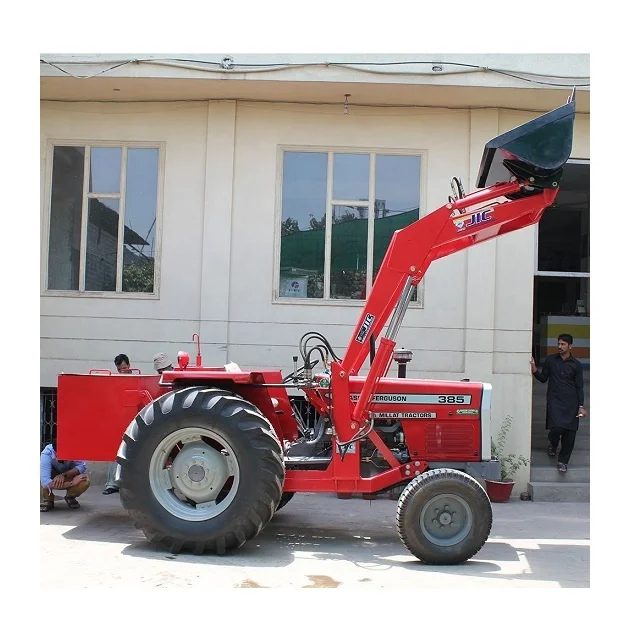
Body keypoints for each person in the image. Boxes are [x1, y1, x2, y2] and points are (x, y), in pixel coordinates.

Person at [530, 333, 587, 473]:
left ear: (570, 346)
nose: (560, 346)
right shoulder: (551, 360)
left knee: (570, 434)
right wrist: (535, 370)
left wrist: (581, 406)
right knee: (556, 429)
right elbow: (543, 378)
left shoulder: (576, 365)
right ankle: (553, 444)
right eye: (559, 344)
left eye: (563, 344)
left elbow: (579, 386)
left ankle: (563, 461)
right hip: (554, 401)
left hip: (572, 403)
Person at [103, 353, 132, 494]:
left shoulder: (136, 379)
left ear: (129, 365)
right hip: (119, 421)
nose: (123, 371)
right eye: (120, 369)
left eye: (125, 368)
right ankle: (111, 484)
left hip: (132, 421)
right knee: (114, 453)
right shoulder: (116, 382)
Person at [40, 440, 90, 511]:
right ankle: (48, 500)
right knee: (40, 476)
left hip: (68, 474)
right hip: (52, 476)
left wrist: (64, 475)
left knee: (85, 480)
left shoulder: (74, 449)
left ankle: (70, 496)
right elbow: (45, 483)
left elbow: (82, 466)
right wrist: (72, 483)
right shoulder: (47, 453)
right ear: (55, 453)